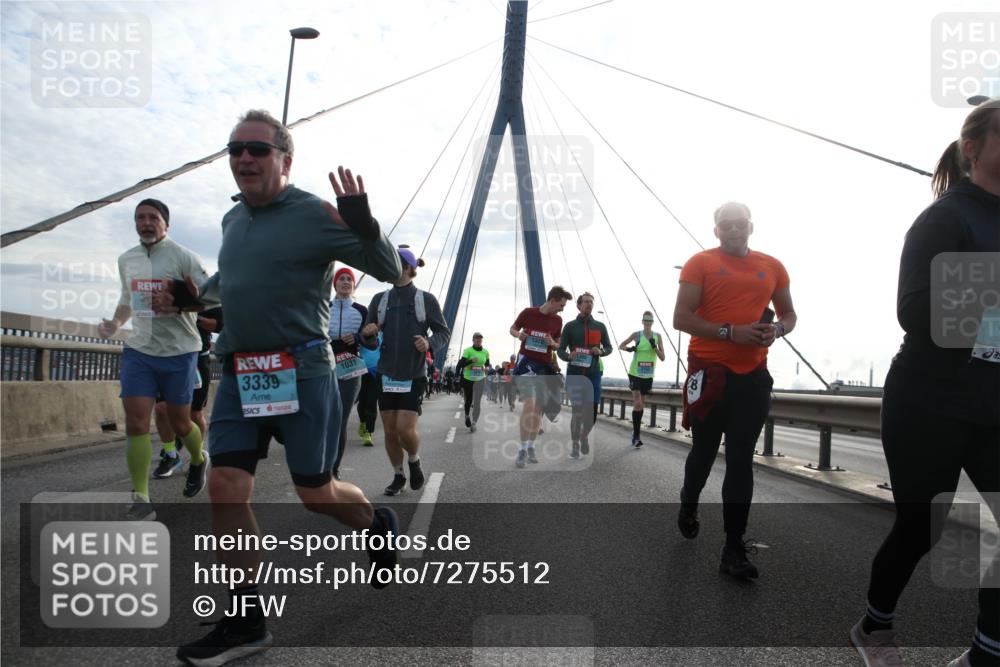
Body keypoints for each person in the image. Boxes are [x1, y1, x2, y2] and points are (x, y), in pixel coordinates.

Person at [158, 109, 404, 666]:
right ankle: (247, 622)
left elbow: (391, 271)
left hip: (303, 370)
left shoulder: (313, 212)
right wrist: (195, 297)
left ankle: (375, 523)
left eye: (257, 149)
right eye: (235, 148)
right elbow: (232, 282)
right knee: (225, 485)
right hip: (242, 374)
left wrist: (365, 226)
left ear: (284, 160)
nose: (244, 157)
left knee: (316, 496)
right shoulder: (233, 220)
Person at [850, 99, 999, 667]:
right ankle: (875, 627)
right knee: (922, 528)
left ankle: (986, 653)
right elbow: (916, 311)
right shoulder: (945, 218)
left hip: (994, 404)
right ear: (974, 149)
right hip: (930, 400)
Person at [672, 201, 797, 580]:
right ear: (716, 231)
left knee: (742, 458)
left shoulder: (772, 266)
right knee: (705, 451)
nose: (732, 229)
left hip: (753, 375)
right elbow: (682, 317)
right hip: (710, 372)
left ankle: (732, 548)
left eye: (739, 223)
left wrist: (777, 330)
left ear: (750, 226)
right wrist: (731, 331)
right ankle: (689, 501)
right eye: (725, 225)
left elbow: (790, 314)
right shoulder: (701, 263)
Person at [98, 198, 210, 519]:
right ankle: (141, 498)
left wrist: (178, 303)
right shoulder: (127, 259)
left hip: (179, 350)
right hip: (139, 350)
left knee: (179, 421)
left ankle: (199, 459)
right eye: (140, 218)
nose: (146, 223)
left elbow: (211, 299)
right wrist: (115, 323)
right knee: (135, 423)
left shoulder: (184, 257)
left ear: (166, 224)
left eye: (152, 217)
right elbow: (126, 299)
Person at [361, 247, 450, 496]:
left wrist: (429, 343)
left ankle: (414, 460)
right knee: (389, 431)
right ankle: (398, 475)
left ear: (410, 268)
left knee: (404, 429)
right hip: (386, 372)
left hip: (413, 373)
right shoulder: (380, 300)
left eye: (397, 262)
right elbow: (369, 337)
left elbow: (443, 332)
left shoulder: (426, 299)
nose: (391, 266)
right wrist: (367, 335)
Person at [152, 306, 223, 478]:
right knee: (161, 408)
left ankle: (197, 458)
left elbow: (220, 325)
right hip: (166, 357)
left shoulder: (205, 291)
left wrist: (190, 316)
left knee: (194, 414)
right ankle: (170, 455)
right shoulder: (160, 287)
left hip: (196, 359)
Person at [509, 286, 572, 468]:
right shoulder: (528, 313)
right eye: (561, 305)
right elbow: (512, 328)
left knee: (537, 410)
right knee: (529, 405)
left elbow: (559, 343)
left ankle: (530, 446)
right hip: (526, 363)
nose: (562, 309)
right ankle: (521, 449)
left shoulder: (558, 321)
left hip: (544, 367)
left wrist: (553, 343)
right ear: (552, 300)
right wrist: (519, 334)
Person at [557, 292, 612, 459]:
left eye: (591, 302)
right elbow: (560, 349)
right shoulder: (570, 326)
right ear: (579, 305)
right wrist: (567, 356)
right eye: (586, 302)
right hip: (575, 374)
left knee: (593, 414)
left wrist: (601, 351)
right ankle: (575, 444)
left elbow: (609, 347)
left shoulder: (600, 327)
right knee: (577, 412)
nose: (589, 304)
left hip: (593, 375)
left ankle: (583, 436)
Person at [328, 266, 368, 480]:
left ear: (354, 286)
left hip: (351, 368)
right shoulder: (324, 307)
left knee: (341, 418)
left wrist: (359, 337)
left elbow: (371, 339)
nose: (345, 282)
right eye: (341, 279)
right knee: (324, 417)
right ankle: (322, 465)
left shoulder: (362, 310)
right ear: (335, 284)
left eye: (349, 280)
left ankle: (334, 469)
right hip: (325, 367)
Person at [619, 311, 666, 448]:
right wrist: (629, 349)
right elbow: (621, 345)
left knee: (641, 404)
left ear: (652, 321)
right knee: (638, 403)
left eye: (650, 320)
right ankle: (636, 435)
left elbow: (662, 357)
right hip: (635, 373)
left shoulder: (658, 337)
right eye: (645, 319)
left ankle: (636, 429)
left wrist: (654, 347)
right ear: (642, 321)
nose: (647, 322)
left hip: (648, 375)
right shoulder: (637, 335)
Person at [456, 332, 490, 432]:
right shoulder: (468, 351)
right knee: (469, 400)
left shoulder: (485, 352)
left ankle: (474, 422)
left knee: (477, 402)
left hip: (480, 378)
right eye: (477, 339)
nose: (479, 341)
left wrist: (487, 368)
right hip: (468, 378)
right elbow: (461, 364)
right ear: (473, 340)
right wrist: (470, 361)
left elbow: (487, 363)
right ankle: (467, 416)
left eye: (480, 340)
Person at [356, 330, 382, 447]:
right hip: (360, 370)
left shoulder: (384, 333)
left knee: (371, 403)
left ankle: (368, 432)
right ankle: (362, 422)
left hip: (376, 372)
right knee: (362, 403)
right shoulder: (362, 331)